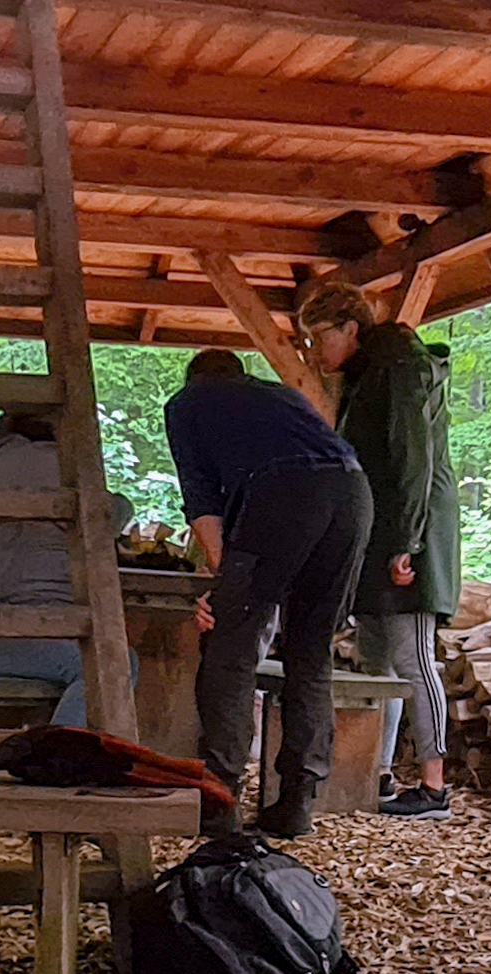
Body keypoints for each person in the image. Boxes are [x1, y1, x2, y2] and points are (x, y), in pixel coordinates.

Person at [162, 349, 371, 838]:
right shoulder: (281, 397)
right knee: (311, 652)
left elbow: (203, 503)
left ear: (194, 379)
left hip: (283, 493)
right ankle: (298, 802)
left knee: (230, 650)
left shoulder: (188, 403)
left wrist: (224, 589)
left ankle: (220, 801)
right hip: (354, 493)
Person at [297, 281, 459, 821]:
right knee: (374, 661)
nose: (315, 353)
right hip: (380, 533)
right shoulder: (367, 375)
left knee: (413, 657)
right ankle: (377, 772)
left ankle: (434, 785)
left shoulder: (401, 368)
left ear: (350, 328)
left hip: (411, 534)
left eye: (320, 338)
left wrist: (408, 541)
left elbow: (415, 458)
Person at [0, 411, 129, 726]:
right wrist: (125, 506)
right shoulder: (49, 463)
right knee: (110, 665)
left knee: (96, 657)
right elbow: (105, 517)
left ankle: (57, 744)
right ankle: (50, 751)